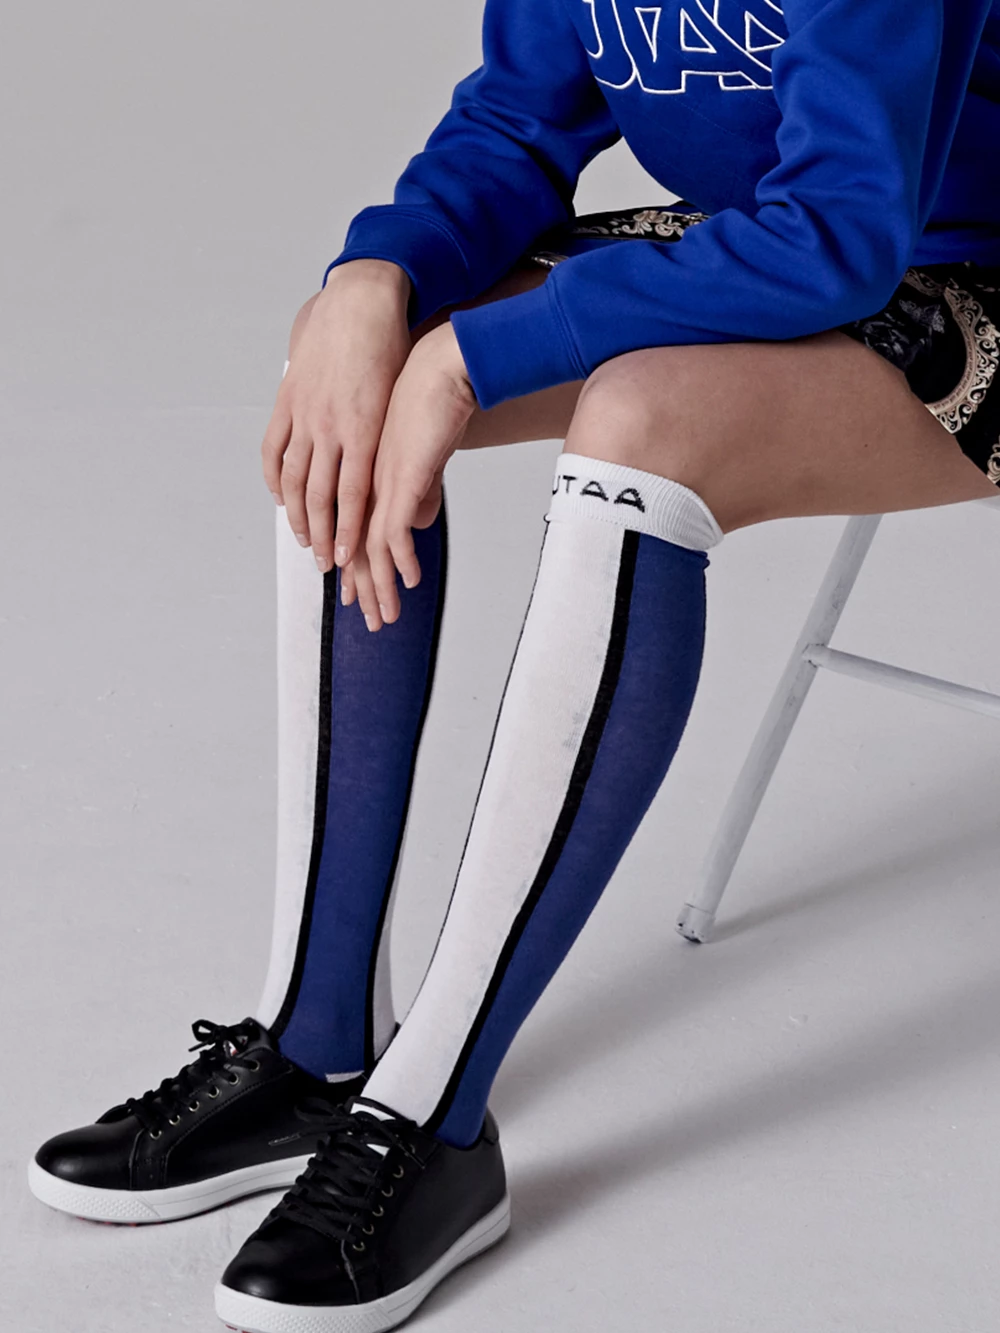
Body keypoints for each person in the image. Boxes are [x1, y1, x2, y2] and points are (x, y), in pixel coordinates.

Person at [29, 1, 1000, 1330]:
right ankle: (313, 1041)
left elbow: (840, 228)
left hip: (954, 268)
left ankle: (433, 1116)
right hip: (781, 244)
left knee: (637, 424)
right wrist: (374, 284)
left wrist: (474, 358)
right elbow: (515, 123)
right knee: (352, 366)